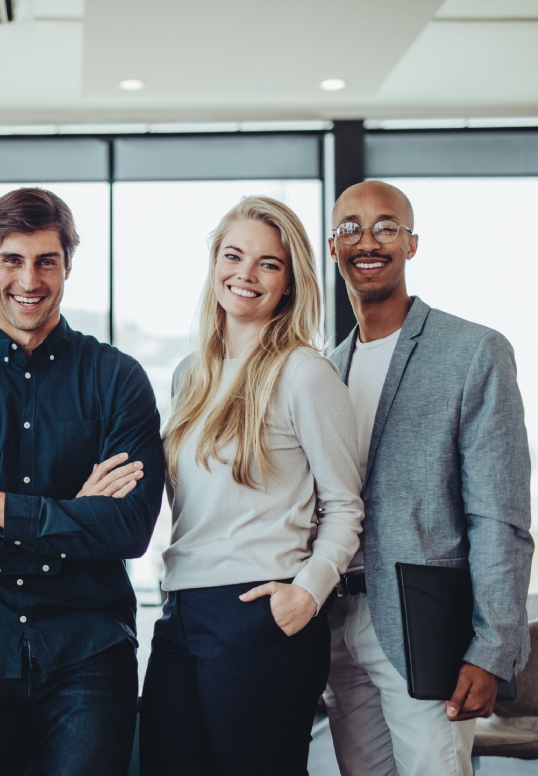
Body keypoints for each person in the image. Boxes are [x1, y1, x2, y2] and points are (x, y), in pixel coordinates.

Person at [0, 187, 164, 776]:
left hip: (89, 652)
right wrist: (70, 515)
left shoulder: (117, 379)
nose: (30, 279)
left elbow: (129, 528)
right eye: (13, 259)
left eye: (47, 260)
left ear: (69, 264)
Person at [139, 195, 364, 776]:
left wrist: (307, 593)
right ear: (215, 262)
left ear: (289, 283)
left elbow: (345, 506)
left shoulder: (304, 373)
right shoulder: (190, 375)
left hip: (260, 609)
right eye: (234, 256)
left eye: (268, 263)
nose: (245, 274)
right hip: (182, 609)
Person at [323, 180, 534, 776]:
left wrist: (493, 649)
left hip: (426, 627)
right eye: (351, 228)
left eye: (386, 226)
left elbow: (500, 515)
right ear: (332, 245)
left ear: (411, 244)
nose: (368, 241)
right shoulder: (325, 370)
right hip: (339, 629)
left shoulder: (473, 352)